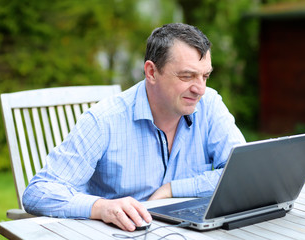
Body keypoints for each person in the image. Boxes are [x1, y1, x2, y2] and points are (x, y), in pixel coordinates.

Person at [22, 23, 246, 232]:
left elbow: (242, 173)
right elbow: (39, 191)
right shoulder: (104, 119)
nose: (200, 89)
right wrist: (101, 207)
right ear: (151, 72)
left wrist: (172, 189)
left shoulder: (210, 105)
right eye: (187, 76)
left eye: (205, 76)